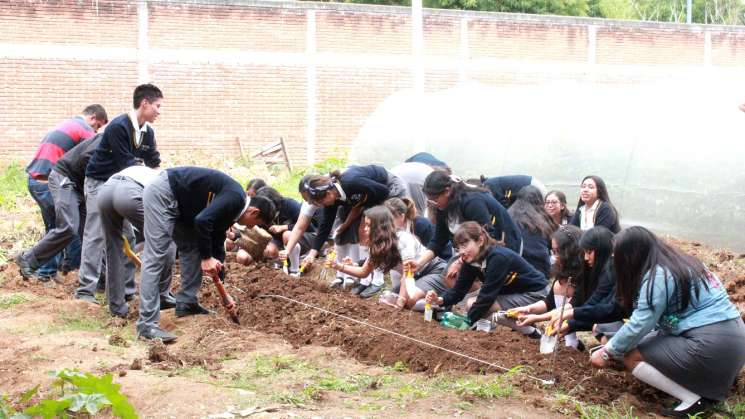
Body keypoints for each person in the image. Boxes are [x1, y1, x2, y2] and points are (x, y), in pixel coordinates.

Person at [589, 226, 745, 418]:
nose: (614, 259)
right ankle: (701, 387)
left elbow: (641, 322)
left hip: (712, 345)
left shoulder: (659, 274)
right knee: (639, 343)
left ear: (632, 255)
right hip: (732, 340)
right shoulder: (683, 262)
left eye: (617, 255)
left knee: (631, 355)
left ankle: (693, 399)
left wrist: (607, 353)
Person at [136, 166, 276, 342]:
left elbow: (216, 238)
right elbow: (203, 220)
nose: (249, 227)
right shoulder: (236, 197)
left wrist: (221, 280)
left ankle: (187, 303)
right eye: (253, 223)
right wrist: (206, 258)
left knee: (193, 247)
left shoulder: (233, 210)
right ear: (254, 212)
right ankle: (146, 325)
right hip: (165, 192)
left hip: (182, 204)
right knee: (156, 256)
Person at [77, 84, 163, 302]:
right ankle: (85, 291)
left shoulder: (147, 132)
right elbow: (126, 163)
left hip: (120, 187)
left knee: (128, 236)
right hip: (99, 183)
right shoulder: (118, 126)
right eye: (157, 106)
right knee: (95, 234)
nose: (159, 112)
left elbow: (153, 162)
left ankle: (126, 292)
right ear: (144, 103)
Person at [281, 165, 407, 296]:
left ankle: (378, 280)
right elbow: (325, 225)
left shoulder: (352, 182)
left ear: (328, 194)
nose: (321, 206)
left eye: (321, 203)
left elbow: (382, 191)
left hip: (389, 188)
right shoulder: (333, 198)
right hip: (369, 194)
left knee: (377, 229)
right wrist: (312, 254)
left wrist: (365, 210)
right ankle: (365, 280)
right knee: (360, 230)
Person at [18, 104, 108, 281]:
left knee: (58, 227)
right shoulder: (86, 131)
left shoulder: (68, 124)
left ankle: (46, 273)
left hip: (37, 180)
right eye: (98, 125)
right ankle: (71, 270)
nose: (97, 131)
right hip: (53, 181)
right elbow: (93, 160)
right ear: (92, 118)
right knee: (70, 226)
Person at [424, 222, 548, 336]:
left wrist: (467, 322)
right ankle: (484, 332)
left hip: (534, 294)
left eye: (465, 245)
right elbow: (458, 291)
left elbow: (487, 297)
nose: (461, 251)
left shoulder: (498, 258)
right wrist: (439, 299)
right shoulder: (471, 260)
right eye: (458, 248)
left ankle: (531, 332)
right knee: (473, 305)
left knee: (481, 307)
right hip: (512, 293)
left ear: (480, 240)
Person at [411, 171, 522, 284]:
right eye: (430, 199)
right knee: (450, 277)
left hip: (502, 245)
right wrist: (419, 263)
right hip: (473, 250)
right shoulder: (443, 207)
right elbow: (438, 241)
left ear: (447, 191)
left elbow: (486, 236)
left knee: (463, 277)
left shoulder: (472, 202)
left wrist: (460, 262)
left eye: (435, 198)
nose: (433, 203)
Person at [98, 165, 176, 318]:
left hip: (105, 191)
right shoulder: (170, 180)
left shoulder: (148, 172)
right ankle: (163, 295)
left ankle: (116, 307)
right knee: (167, 238)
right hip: (129, 192)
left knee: (114, 249)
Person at [512, 225, 584, 349]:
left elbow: (575, 304)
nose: (554, 256)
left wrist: (537, 318)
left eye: (557, 252)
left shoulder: (585, 273)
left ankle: (572, 342)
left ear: (569, 251)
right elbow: (549, 302)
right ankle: (569, 341)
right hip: (572, 313)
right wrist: (528, 309)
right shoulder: (563, 270)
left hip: (589, 315)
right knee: (558, 285)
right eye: (553, 251)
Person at [548, 226, 624, 344]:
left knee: (600, 328)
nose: (585, 257)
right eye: (584, 253)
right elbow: (592, 302)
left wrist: (570, 320)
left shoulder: (613, 271)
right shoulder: (599, 269)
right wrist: (568, 322)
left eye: (589, 252)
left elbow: (605, 308)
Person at [254, 186, 317, 266]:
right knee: (269, 250)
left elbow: (308, 226)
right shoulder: (263, 214)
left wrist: (284, 227)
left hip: (305, 236)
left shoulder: (289, 204)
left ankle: (295, 265)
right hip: (280, 241)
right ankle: (284, 264)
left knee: (287, 235)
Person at [507, 186, 556, 277]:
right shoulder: (542, 220)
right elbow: (551, 246)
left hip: (512, 270)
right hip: (539, 270)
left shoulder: (508, 215)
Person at [480, 175, 547, 209]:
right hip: (536, 184)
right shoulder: (493, 182)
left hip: (534, 187)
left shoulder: (489, 185)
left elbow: (501, 204)